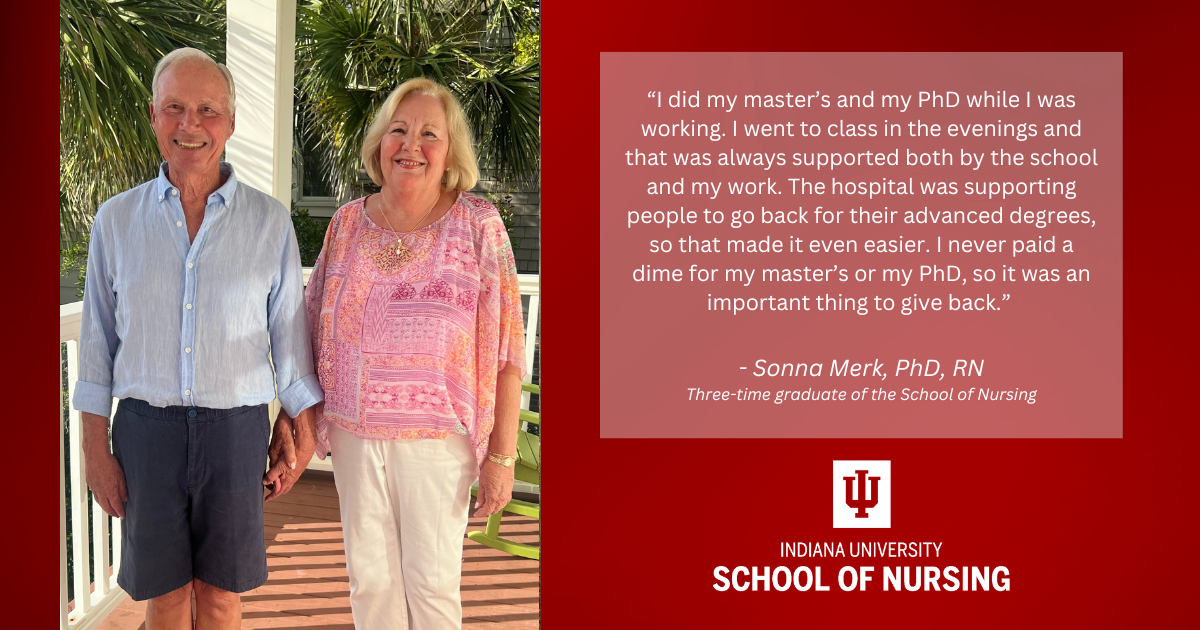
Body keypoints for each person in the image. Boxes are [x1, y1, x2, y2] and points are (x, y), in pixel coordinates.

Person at [72, 48, 322, 630]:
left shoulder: (269, 222)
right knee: (164, 597)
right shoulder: (115, 221)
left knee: (220, 597)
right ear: (154, 117)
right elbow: (96, 346)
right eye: (175, 108)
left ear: (230, 123)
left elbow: (290, 342)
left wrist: (301, 431)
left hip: (235, 431)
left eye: (207, 110)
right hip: (144, 431)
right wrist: (92, 447)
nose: (191, 125)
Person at [298, 77, 526, 629]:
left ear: (450, 153)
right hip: (355, 431)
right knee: (370, 581)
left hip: (437, 439)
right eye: (398, 130)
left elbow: (509, 349)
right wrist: (301, 423)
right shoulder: (347, 223)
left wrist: (501, 457)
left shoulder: (478, 224)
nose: (411, 145)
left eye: (430, 134)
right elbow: (308, 324)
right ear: (380, 142)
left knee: (431, 582)